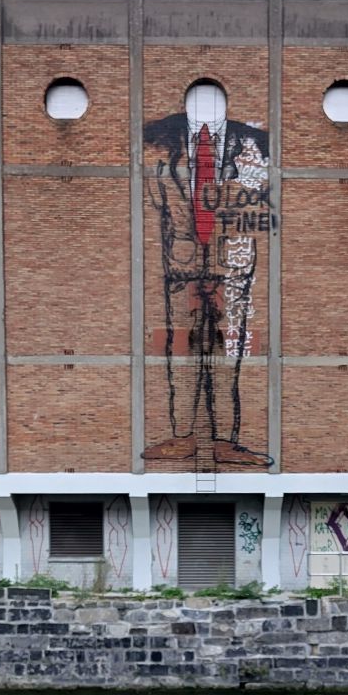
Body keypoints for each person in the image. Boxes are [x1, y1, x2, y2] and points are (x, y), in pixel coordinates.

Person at [142, 79, 274, 467]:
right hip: (181, 262)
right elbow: (156, 195)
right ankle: (182, 434)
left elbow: (255, 192)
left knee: (227, 350)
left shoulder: (253, 142)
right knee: (179, 347)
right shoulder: (159, 137)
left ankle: (225, 439)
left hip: (231, 261)